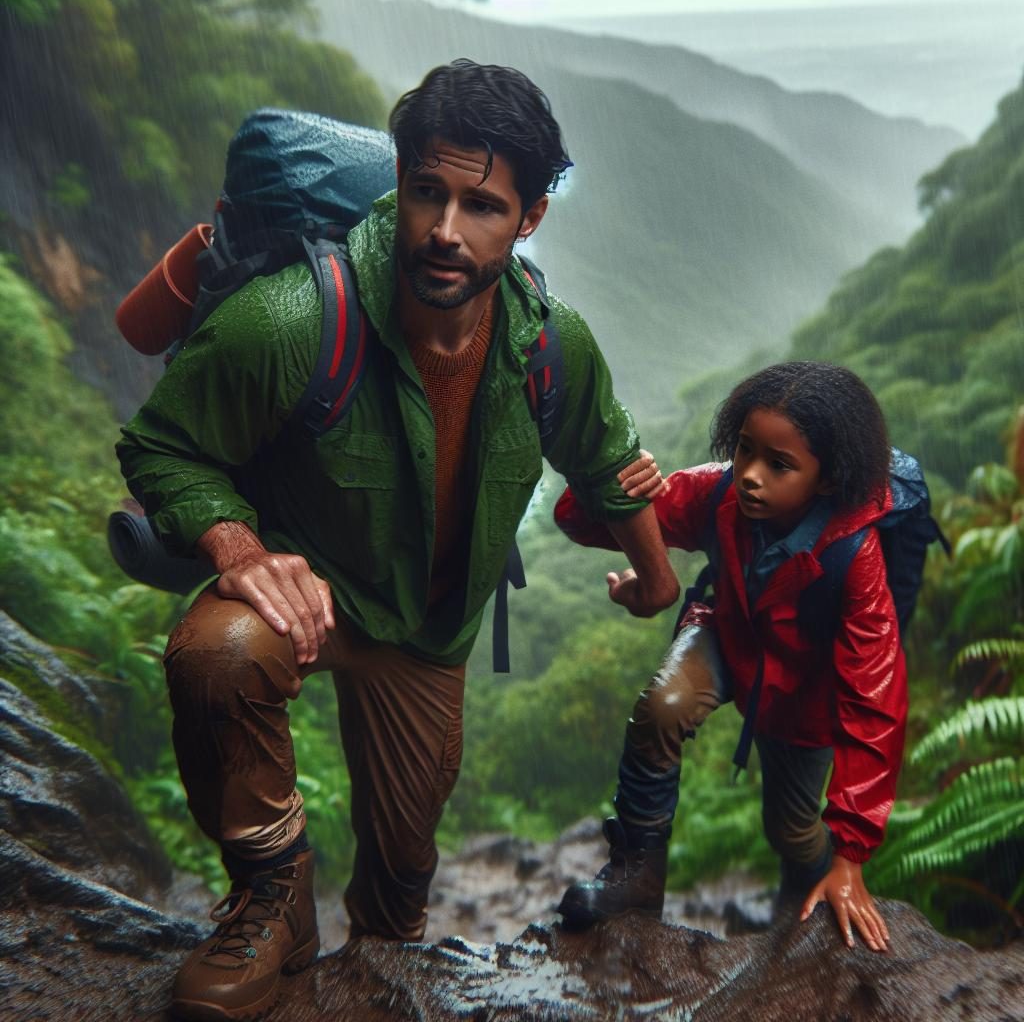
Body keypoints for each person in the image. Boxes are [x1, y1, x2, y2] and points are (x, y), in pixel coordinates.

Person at [116, 59, 679, 1021]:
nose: (447, 232)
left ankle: (380, 969)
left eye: (484, 205)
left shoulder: (549, 346)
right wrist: (239, 551)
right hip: (310, 598)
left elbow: (606, 456)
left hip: (428, 632)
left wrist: (659, 579)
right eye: (427, 192)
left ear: (531, 218)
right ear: (401, 184)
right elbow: (164, 444)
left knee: (401, 877)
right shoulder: (297, 317)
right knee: (216, 655)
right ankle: (269, 900)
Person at [553, 361, 907, 953]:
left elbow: (876, 698)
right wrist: (614, 484)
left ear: (826, 479)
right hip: (729, 636)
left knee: (792, 829)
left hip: (806, 699)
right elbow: (583, 521)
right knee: (663, 706)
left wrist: (851, 855)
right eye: (745, 450)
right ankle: (636, 879)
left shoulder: (854, 556)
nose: (750, 475)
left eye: (778, 464)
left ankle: (808, 895)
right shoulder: (719, 493)